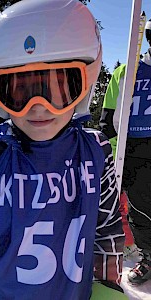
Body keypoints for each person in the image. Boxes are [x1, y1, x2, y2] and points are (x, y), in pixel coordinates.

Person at [0, 0, 126, 299]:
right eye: (19, 92)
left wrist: (107, 286)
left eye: (58, 88)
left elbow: (106, 228)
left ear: (87, 82)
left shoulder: (96, 151)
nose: (39, 108)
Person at [99, 17, 151, 285]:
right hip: (134, 151)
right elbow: (109, 120)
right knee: (140, 210)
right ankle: (149, 256)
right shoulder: (127, 72)